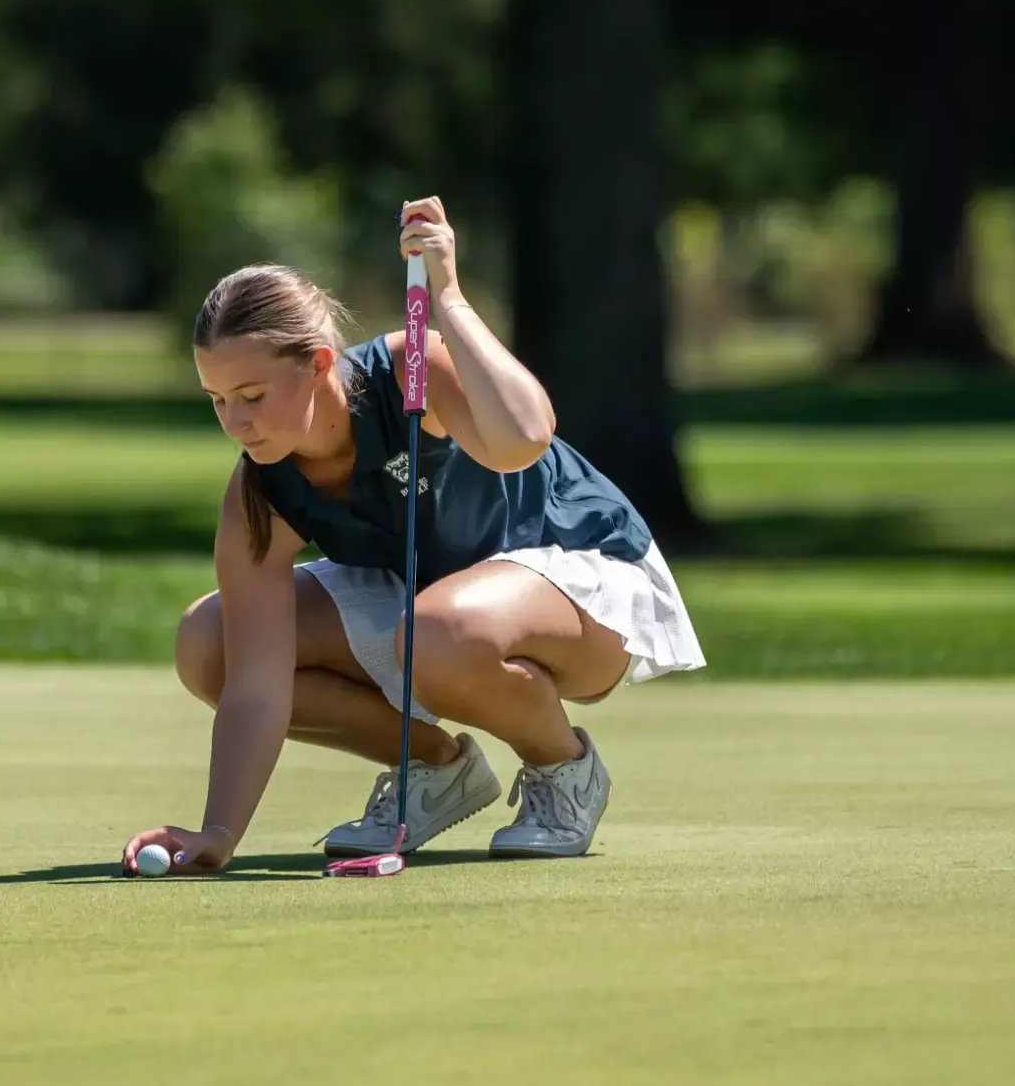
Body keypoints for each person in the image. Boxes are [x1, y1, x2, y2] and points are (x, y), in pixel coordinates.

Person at [120, 196, 705, 875]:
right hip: (434, 601)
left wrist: (449, 296)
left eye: (252, 395)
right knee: (209, 644)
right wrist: (218, 830)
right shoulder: (260, 487)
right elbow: (254, 684)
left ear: (317, 363)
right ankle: (437, 769)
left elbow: (523, 438)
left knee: (432, 634)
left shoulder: (411, 374)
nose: (236, 422)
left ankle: (563, 768)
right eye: (218, 400)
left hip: (579, 564)